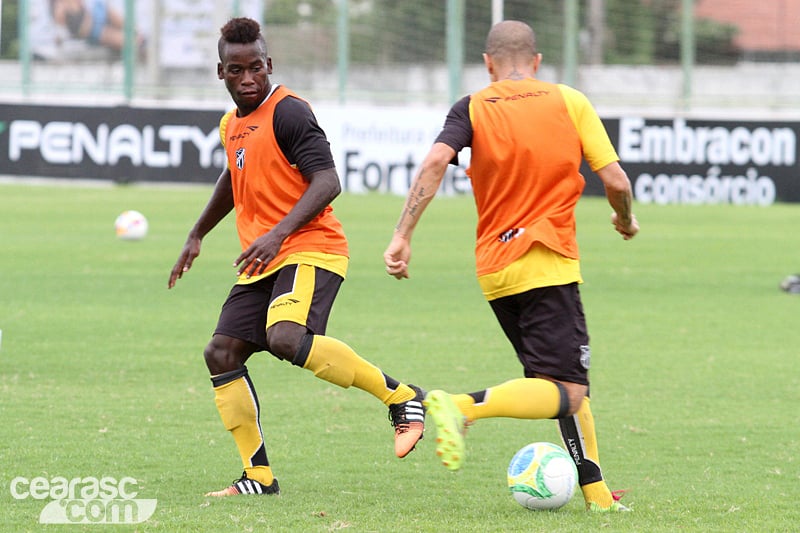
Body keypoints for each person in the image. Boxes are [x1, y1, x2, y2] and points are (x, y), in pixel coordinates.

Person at [384, 20, 639, 512]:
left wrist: (402, 235)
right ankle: (460, 406)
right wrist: (624, 220)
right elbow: (617, 181)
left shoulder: (472, 107)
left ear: (488, 64)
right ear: (537, 61)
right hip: (547, 260)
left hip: (496, 270)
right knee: (567, 390)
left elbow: (436, 161)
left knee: (554, 384)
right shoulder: (568, 100)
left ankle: (598, 496)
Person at [169, 17, 425, 497]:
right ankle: (258, 478)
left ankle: (403, 398)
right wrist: (197, 232)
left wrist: (278, 232)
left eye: (256, 69)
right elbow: (234, 176)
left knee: (285, 337)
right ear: (220, 73)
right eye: (236, 70)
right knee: (221, 353)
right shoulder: (232, 124)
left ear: (270, 65)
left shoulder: (289, 113)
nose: (248, 79)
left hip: (312, 247)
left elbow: (328, 180)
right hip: (263, 259)